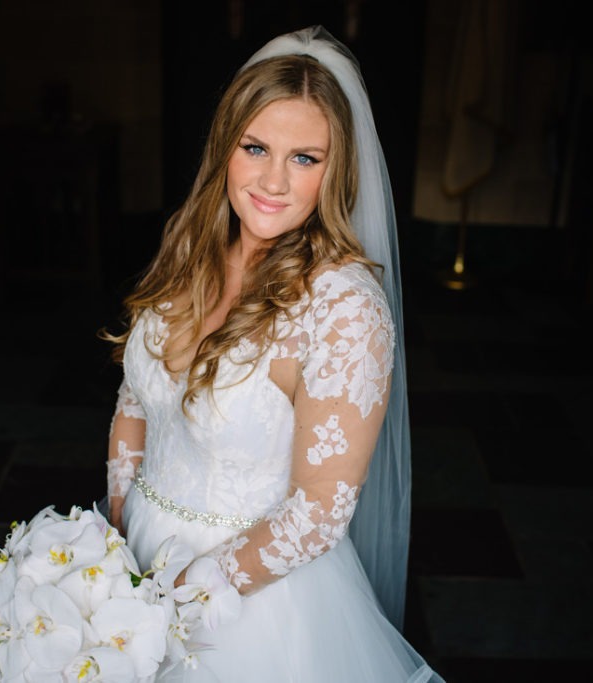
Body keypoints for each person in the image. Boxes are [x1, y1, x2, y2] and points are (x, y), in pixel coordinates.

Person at [104, 25, 443, 683]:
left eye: (305, 158)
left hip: (252, 601)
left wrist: (181, 595)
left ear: (335, 169)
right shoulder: (190, 249)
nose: (273, 181)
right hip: (136, 561)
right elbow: (134, 402)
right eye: (255, 147)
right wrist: (117, 548)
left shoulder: (342, 304)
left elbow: (319, 508)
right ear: (224, 147)